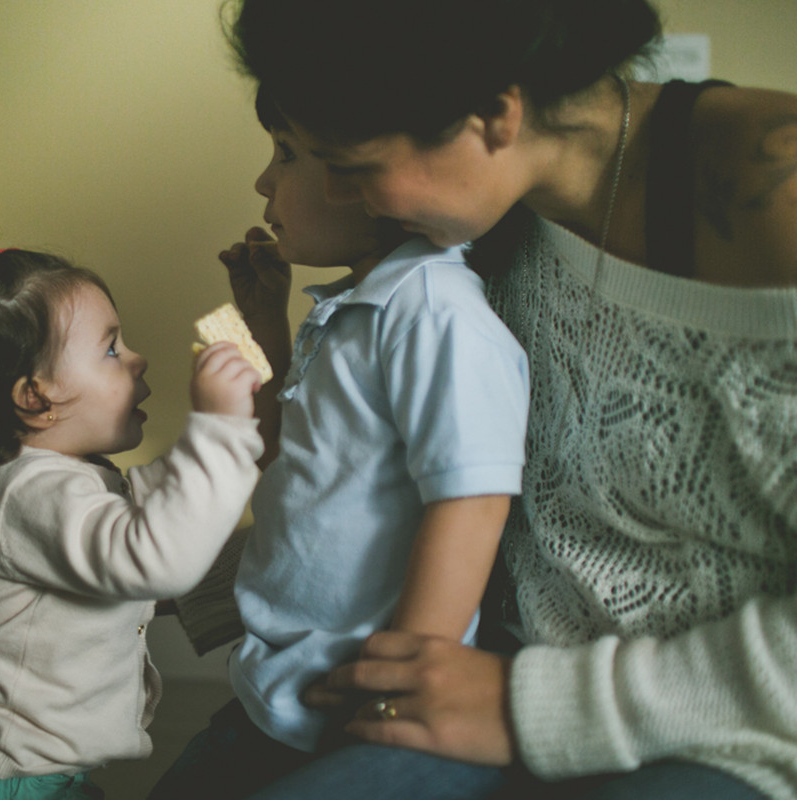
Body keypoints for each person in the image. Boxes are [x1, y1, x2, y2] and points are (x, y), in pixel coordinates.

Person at [214, 1, 797, 799]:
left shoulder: (778, 183)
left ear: (494, 114)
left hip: (733, 728)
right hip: (499, 670)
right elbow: (343, 456)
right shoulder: (480, 223)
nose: (341, 194)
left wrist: (532, 704)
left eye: (354, 164)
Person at [148, 86, 529, 799]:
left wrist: (407, 682)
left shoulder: (435, 316)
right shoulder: (349, 308)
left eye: (286, 155)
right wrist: (259, 319)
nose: (263, 181)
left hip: (354, 704)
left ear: (377, 184)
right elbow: (274, 451)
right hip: (274, 683)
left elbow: (472, 504)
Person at [0, 217, 265, 799]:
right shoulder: (29, 493)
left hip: (36, 771)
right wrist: (219, 430)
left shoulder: (72, 477)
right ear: (36, 398)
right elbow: (157, 558)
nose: (136, 359)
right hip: (1, 781)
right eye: (111, 349)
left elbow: (165, 511)